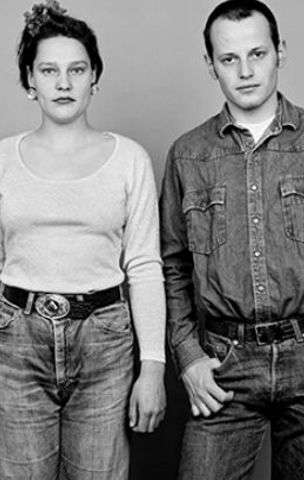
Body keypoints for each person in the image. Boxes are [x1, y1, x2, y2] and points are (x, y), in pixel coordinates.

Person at [159, 0, 304, 478]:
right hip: (223, 362)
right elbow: (172, 266)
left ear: (281, 52)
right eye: (229, 59)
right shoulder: (187, 155)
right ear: (210, 65)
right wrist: (188, 357)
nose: (245, 71)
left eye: (257, 54)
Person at [0, 1, 167, 478]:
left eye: (76, 69)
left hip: (105, 341)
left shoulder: (130, 159)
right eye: (48, 70)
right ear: (29, 81)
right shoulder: (3, 160)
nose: (63, 83)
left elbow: (144, 266)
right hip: (16, 342)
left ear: (95, 77)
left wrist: (153, 367)